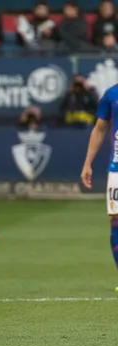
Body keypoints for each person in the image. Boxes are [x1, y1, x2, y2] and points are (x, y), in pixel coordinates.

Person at [81, 83, 118, 285]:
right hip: (117, 169)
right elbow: (99, 128)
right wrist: (88, 163)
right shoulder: (111, 94)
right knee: (116, 225)